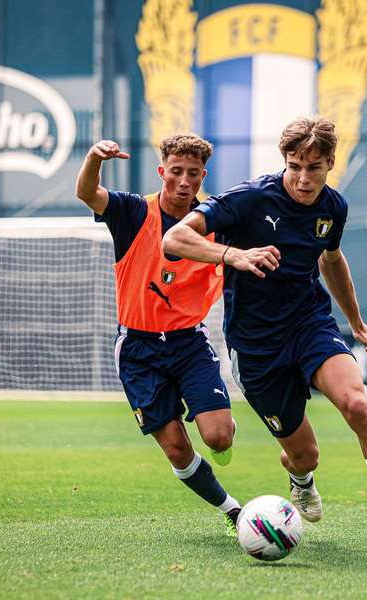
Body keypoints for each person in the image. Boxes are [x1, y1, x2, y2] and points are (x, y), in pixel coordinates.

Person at [162, 117, 367, 554]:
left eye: (315, 167)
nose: (304, 178)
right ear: (284, 162)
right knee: (305, 455)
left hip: (310, 325)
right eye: (295, 166)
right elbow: (174, 239)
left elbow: (331, 260)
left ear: (331, 163)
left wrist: (356, 321)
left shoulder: (334, 207)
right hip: (256, 347)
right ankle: (301, 478)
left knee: (358, 405)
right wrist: (234, 254)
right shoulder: (250, 198)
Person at [76, 134, 242, 533]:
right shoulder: (134, 212)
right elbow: (86, 193)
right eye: (176, 172)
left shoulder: (215, 222)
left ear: (203, 175)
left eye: (193, 174)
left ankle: (221, 431)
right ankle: (234, 510)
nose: (184, 181)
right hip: (138, 348)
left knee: (218, 438)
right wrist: (95, 158)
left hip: (188, 343)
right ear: (162, 171)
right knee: (178, 450)